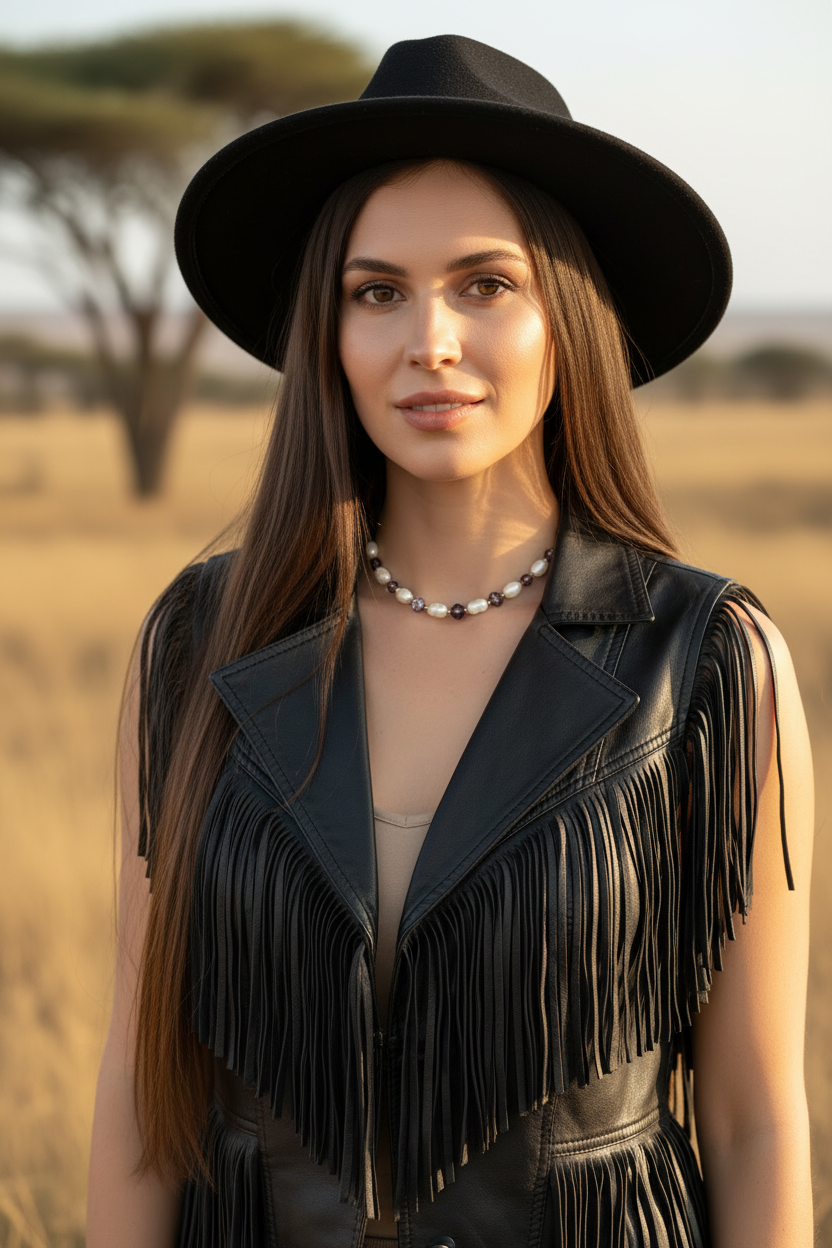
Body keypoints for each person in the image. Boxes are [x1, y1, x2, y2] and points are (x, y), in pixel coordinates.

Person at [86, 34, 814, 1248]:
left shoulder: (710, 662)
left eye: (486, 285)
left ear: (565, 319)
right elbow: (139, 1086)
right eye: (377, 292)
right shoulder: (191, 645)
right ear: (332, 332)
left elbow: (753, 1121)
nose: (427, 338)